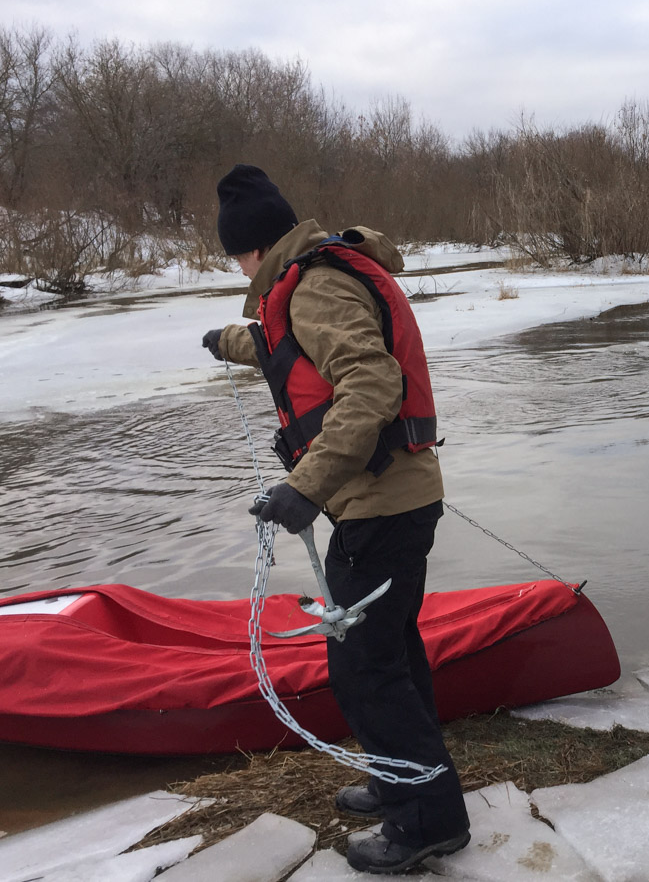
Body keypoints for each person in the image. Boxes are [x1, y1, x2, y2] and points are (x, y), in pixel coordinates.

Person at [201, 164, 469, 875]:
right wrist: (224, 341)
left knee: (366, 672)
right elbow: (285, 347)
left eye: (235, 254)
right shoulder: (309, 281)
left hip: (382, 501)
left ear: (252, 248)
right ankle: (398, 782)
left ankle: (427, 822)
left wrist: (305, 486)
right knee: (392, 657)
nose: (238, 267)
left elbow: (371, 381)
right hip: (386, 499)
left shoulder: (315, 284)